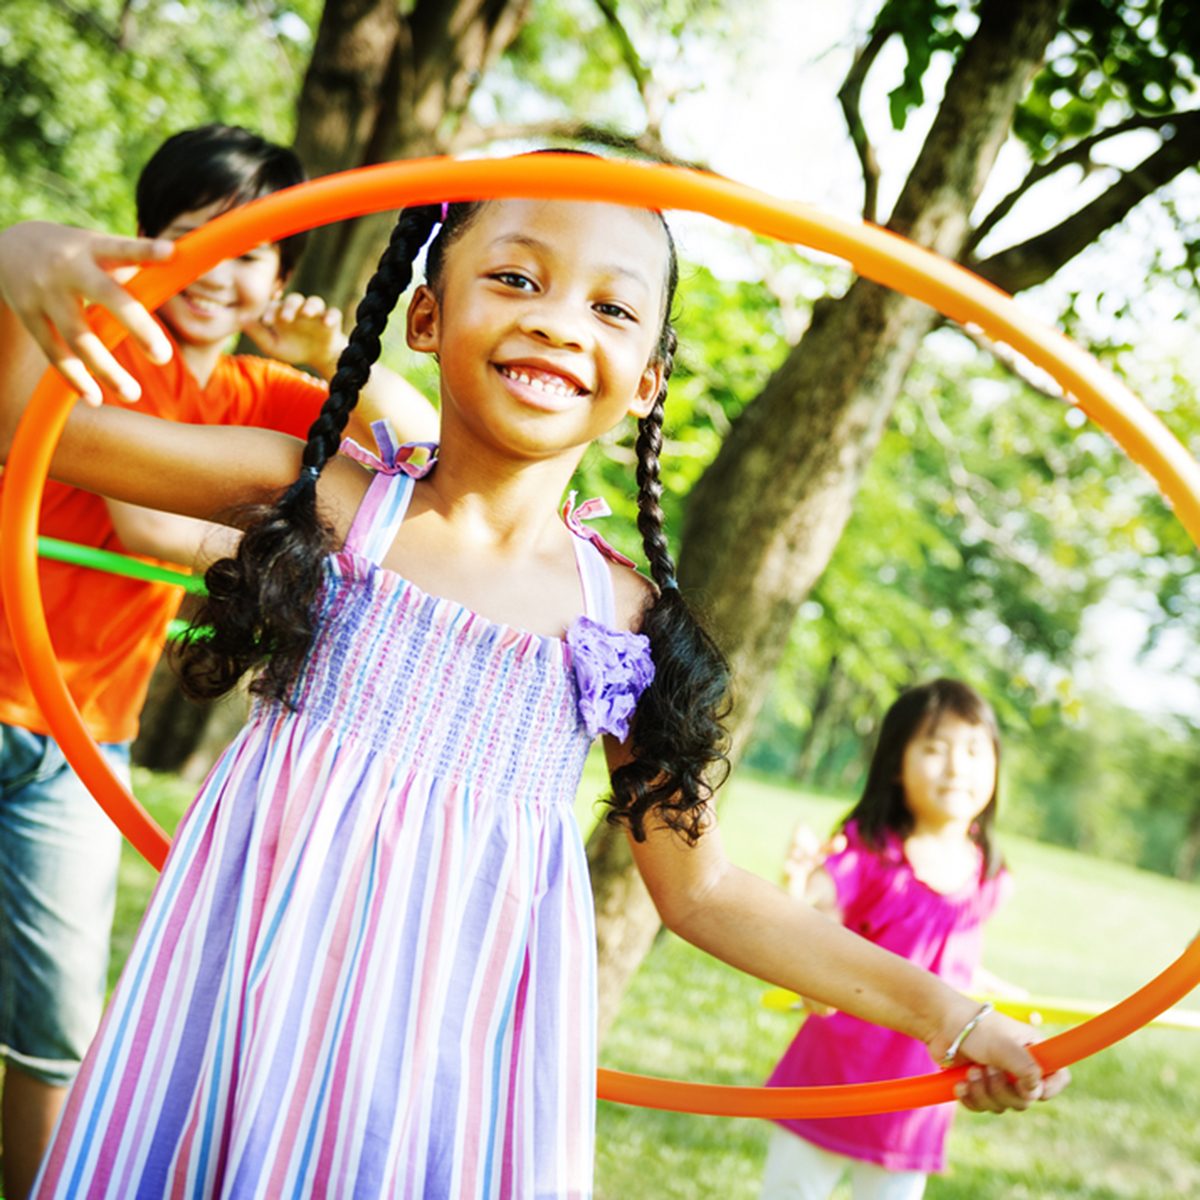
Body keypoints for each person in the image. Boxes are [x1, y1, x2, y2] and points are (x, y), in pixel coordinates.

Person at [0, 186, 1066, 1199]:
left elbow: (700, 892)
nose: (560, 323)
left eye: (609, 306)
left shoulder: (623, 621)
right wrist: (16, 259)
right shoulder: (329, 499)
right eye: (516, 278)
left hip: (434, 1069)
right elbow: (36, 434)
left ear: (646, 378)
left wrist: (949, 1014)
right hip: (241, 1004)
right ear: (425, 315)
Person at [0, 124, 438, 1199]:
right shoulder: (92, 341)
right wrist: (27, 239)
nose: (221, 269)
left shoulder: (259, 394)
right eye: (197, 239)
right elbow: (141, 524)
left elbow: (422, 449)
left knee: (55, 1030)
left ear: (279, 278)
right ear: (147, 244)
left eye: (252, 252)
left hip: (81, 735)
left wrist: (330, 367)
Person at [760, 678, 1018, 1200]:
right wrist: (803, 884)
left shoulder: (988, 877)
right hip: (832, 1078)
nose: (956, 767)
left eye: (973, 750)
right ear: (896, 764)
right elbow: (823, 907)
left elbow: (953, 961)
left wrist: (999, 993)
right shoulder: (870, 854)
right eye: (934, 748)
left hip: (916, 1095)